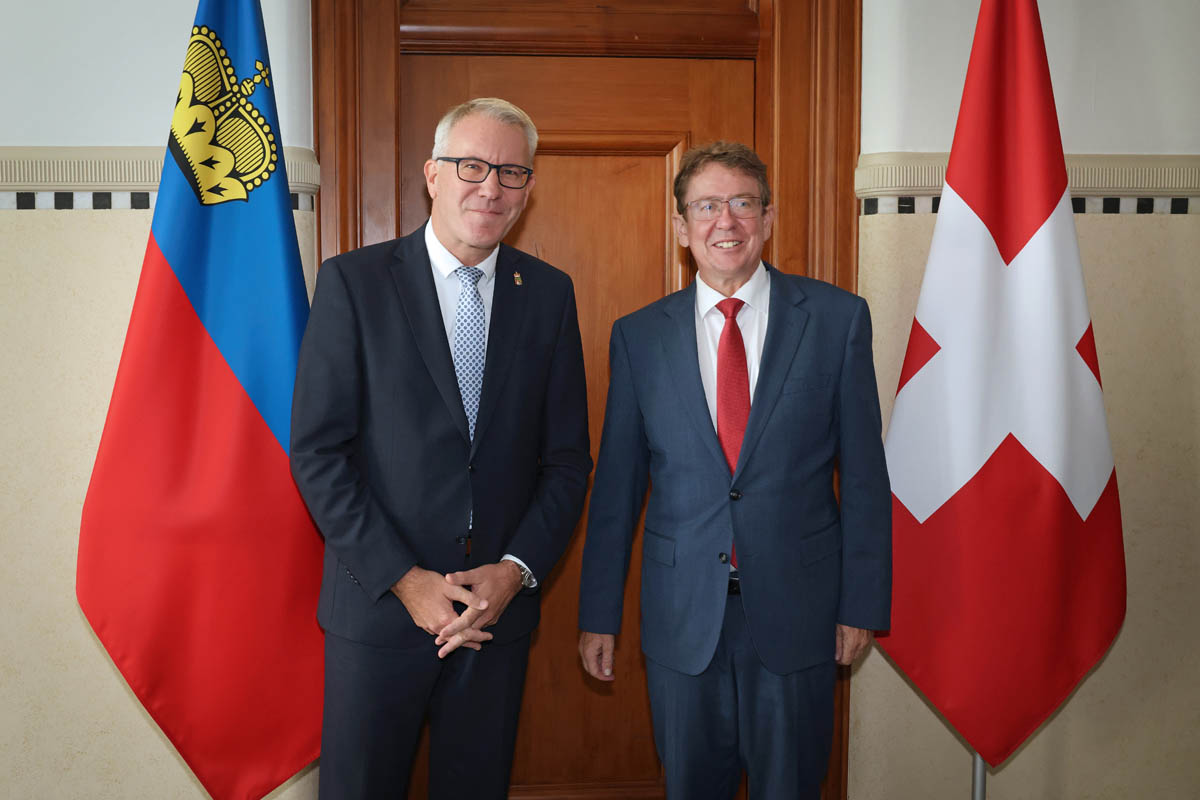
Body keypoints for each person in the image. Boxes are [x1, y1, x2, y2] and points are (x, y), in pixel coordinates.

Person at [291, 97, 592, 799]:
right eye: (472, 166)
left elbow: (567, 461)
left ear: (528, 188)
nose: (491, 187)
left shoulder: (548, 295)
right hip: (379, 616)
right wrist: (406, 578)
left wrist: (514, 571)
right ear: (432, 174)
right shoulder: (354, 283)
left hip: (495, 623)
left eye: (512, 172)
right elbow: (317, 452)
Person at [577, 141, 891, 799]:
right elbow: (617, 491)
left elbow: (863, 475)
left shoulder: (836, 321)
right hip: (682, 617)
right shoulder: (639, 336)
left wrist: (860, 604)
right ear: (682, 227)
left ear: (768, 218)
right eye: (708, 206)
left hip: (799, 613)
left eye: (743, 203)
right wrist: (598, 614)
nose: (727, 222)